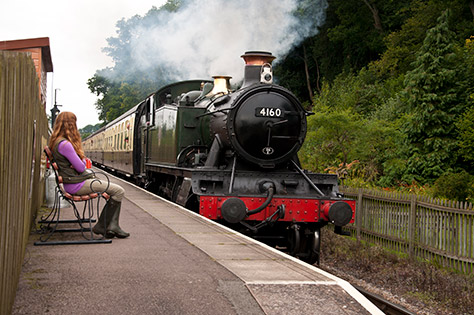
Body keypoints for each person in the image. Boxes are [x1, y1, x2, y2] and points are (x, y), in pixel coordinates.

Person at [48, 111, 130, 238]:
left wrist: (74, 162)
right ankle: (103, 226)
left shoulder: (57, 142)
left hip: (72, 182)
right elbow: (81, 167)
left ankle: (111, 226)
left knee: (113, 190)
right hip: (76, 185)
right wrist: (80, 160)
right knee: (119, 191)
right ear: (71, 125)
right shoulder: (65, 144)